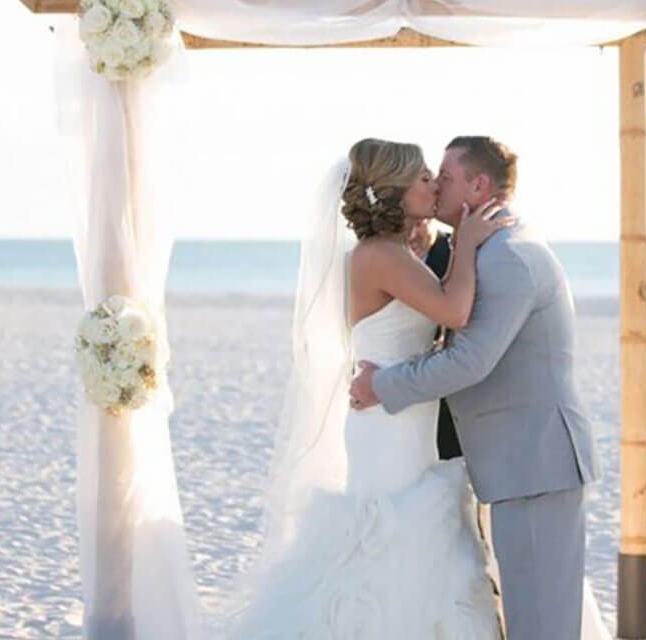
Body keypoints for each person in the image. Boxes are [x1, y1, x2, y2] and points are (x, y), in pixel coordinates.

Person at [230, 138, 510, 638]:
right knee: (394, 539)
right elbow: (454, 311)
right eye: (424, 178)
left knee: (415, 536)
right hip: (391, 425)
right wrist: (465, 243)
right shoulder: (380, 256)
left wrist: (431, 252)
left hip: (399, 414)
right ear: (398, 191)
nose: (434, 184)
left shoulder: (393, 254)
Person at [350, 136, 603, 639]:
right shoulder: (493, 248)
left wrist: (383, 384)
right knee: (532, 615)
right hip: (521, 464)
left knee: (540, 622)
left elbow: (469, 360)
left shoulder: (507, 255)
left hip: (533, 463)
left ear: (479, 185)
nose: (436, 186)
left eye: (445, 177)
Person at [408, 218, 462, 460]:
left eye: (419, 224)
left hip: (445, 398)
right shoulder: (378, 255)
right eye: (404, 223)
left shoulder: (456, 253)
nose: (412, 233)